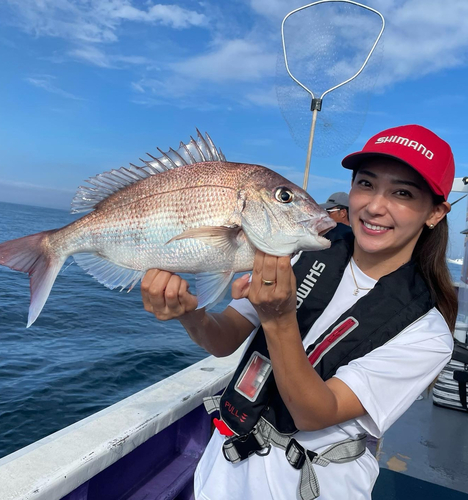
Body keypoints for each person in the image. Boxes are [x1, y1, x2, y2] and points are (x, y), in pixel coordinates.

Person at [141, 124, 456, 500]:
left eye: (402, 193)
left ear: (435, 213)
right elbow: (224, 338)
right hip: (221, 476)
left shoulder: (427, 333)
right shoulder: (299, 250)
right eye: (366, 184)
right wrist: (190, 314)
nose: (374, 206)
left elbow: (315, 413)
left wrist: (278, 319)